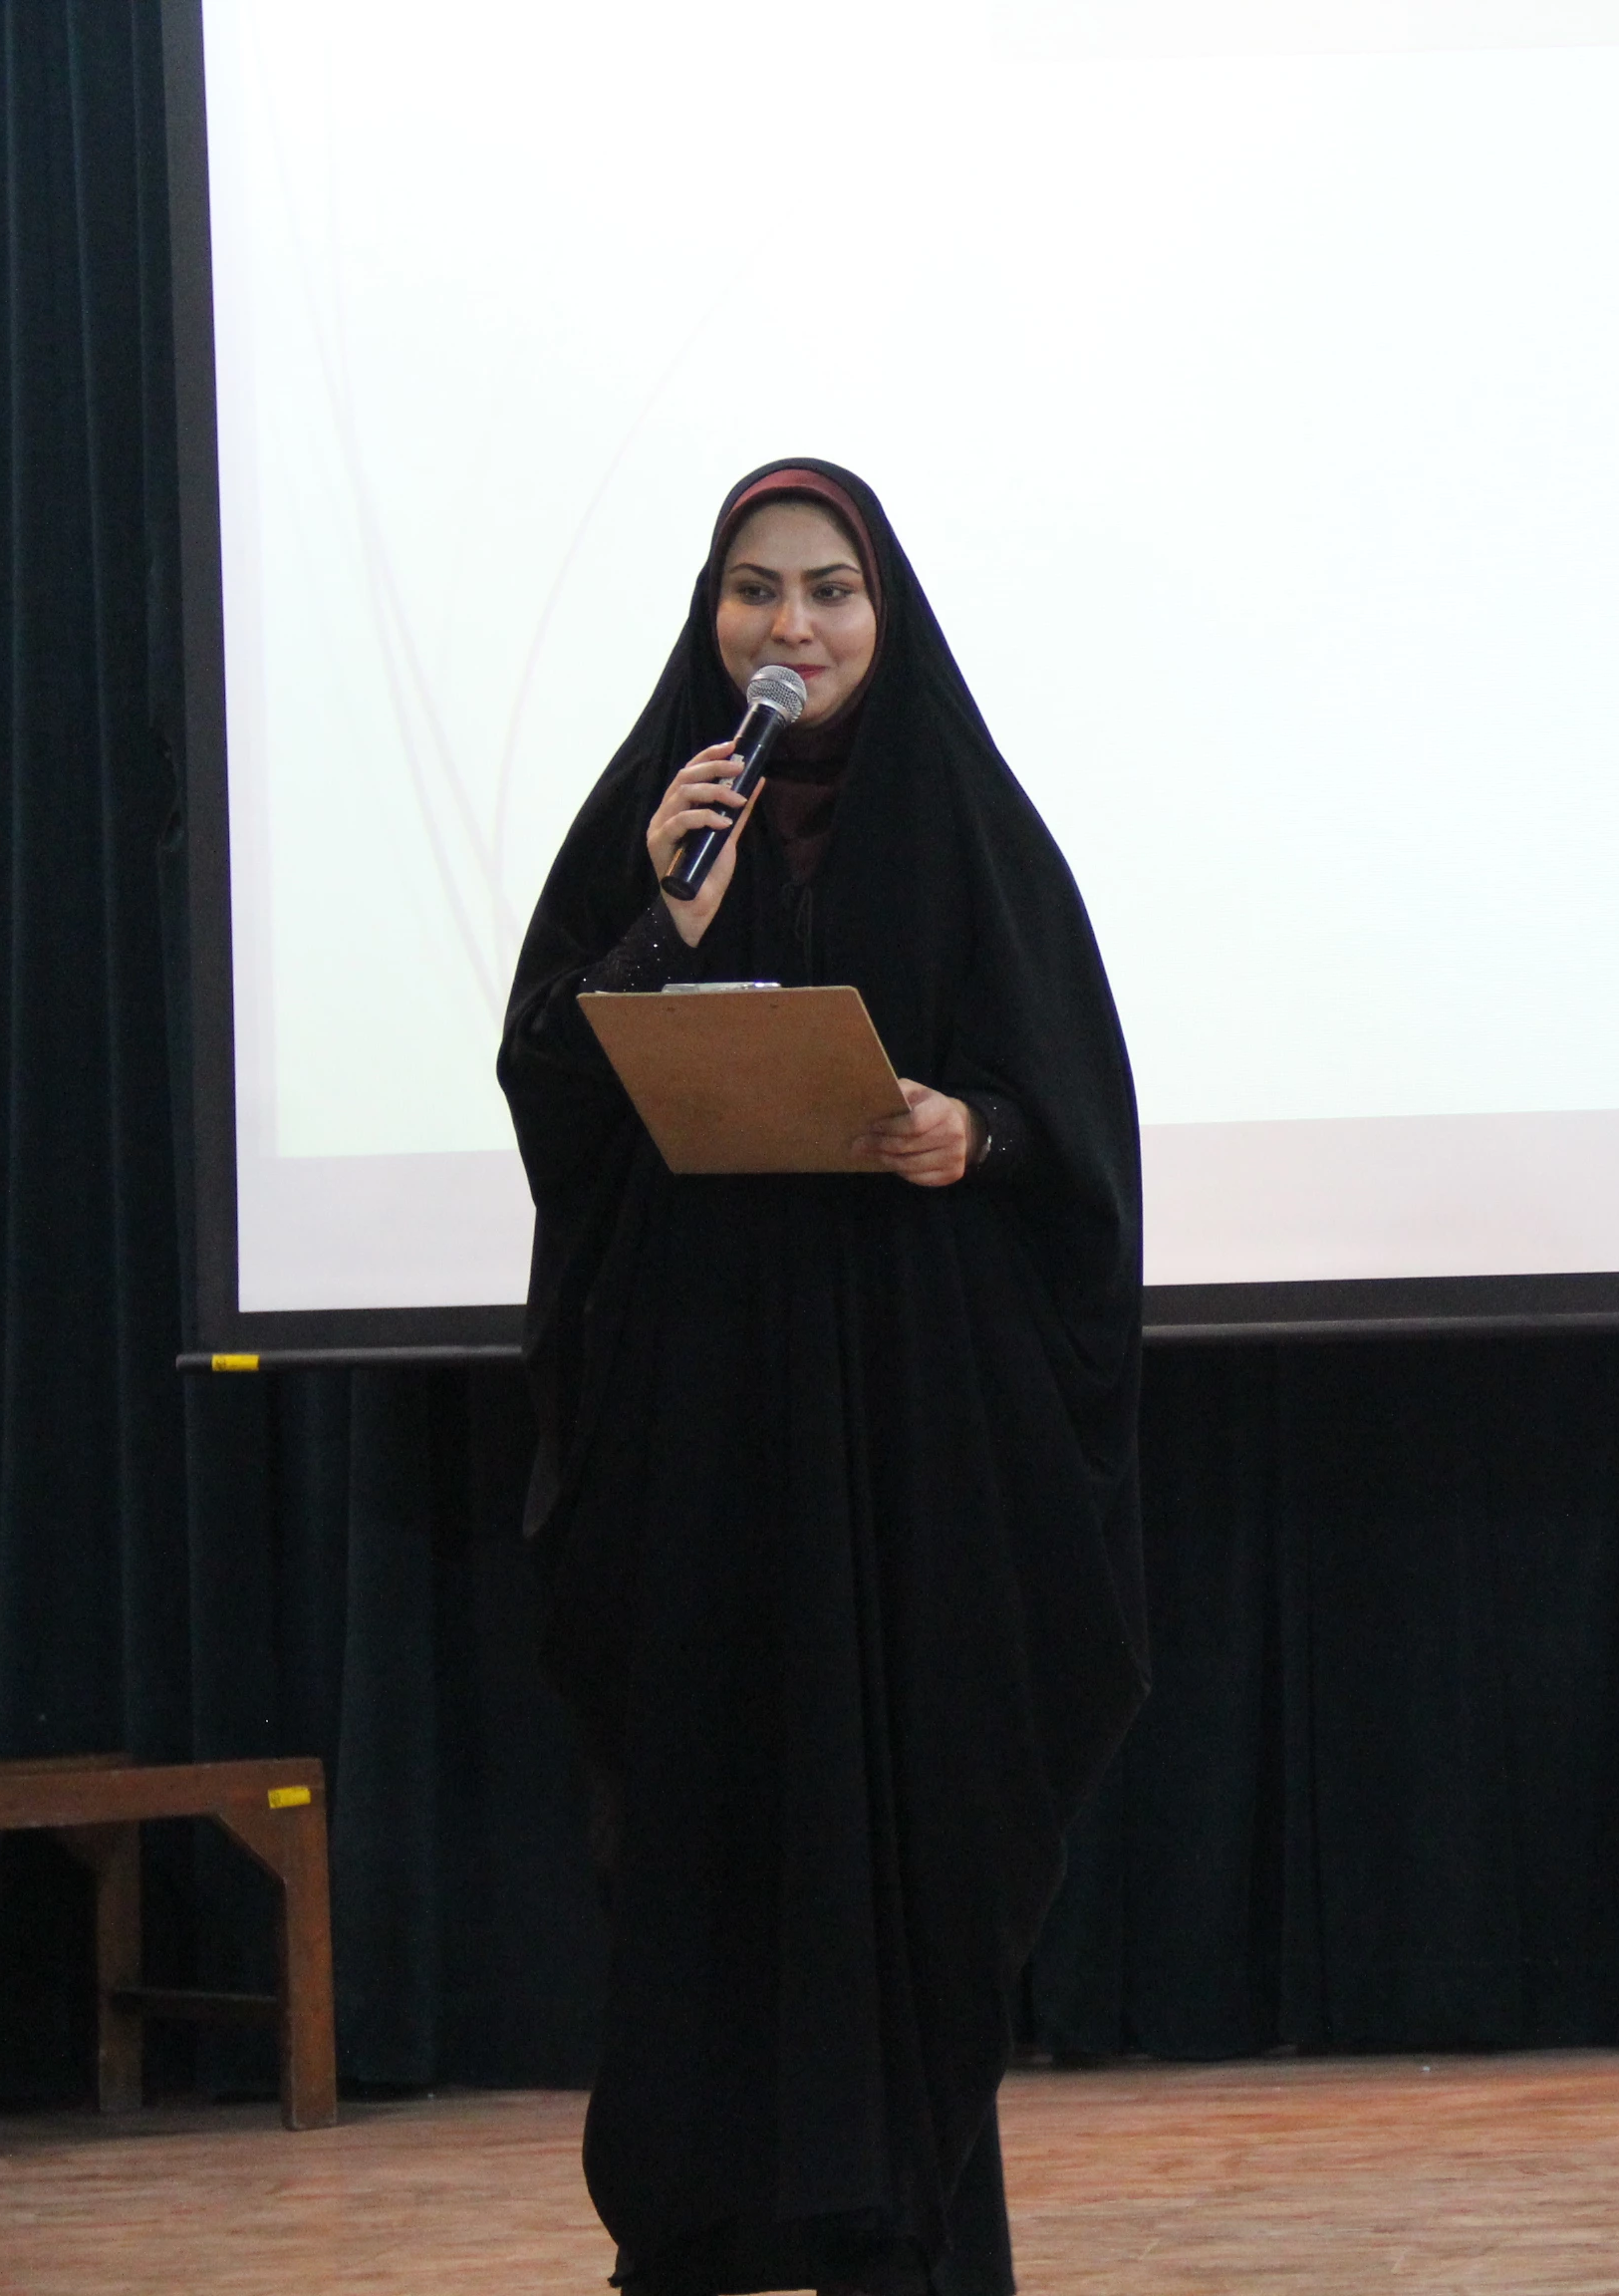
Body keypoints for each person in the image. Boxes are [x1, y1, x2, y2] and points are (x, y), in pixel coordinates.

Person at [499, 459, 1148, 2296]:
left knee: (904, 1822)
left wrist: (974, 1130)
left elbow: (1074, 1120)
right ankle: (701, 2224)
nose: (790, 626)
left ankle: (900, 2229)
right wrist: (663, 928)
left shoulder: (971, 825)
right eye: (755, 590)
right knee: (707, 1816)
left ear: (886, 611)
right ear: (712, 613)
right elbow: (550, 1085)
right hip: (699, 1423)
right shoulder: (657, 816)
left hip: (909, 1432)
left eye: (831, 590)